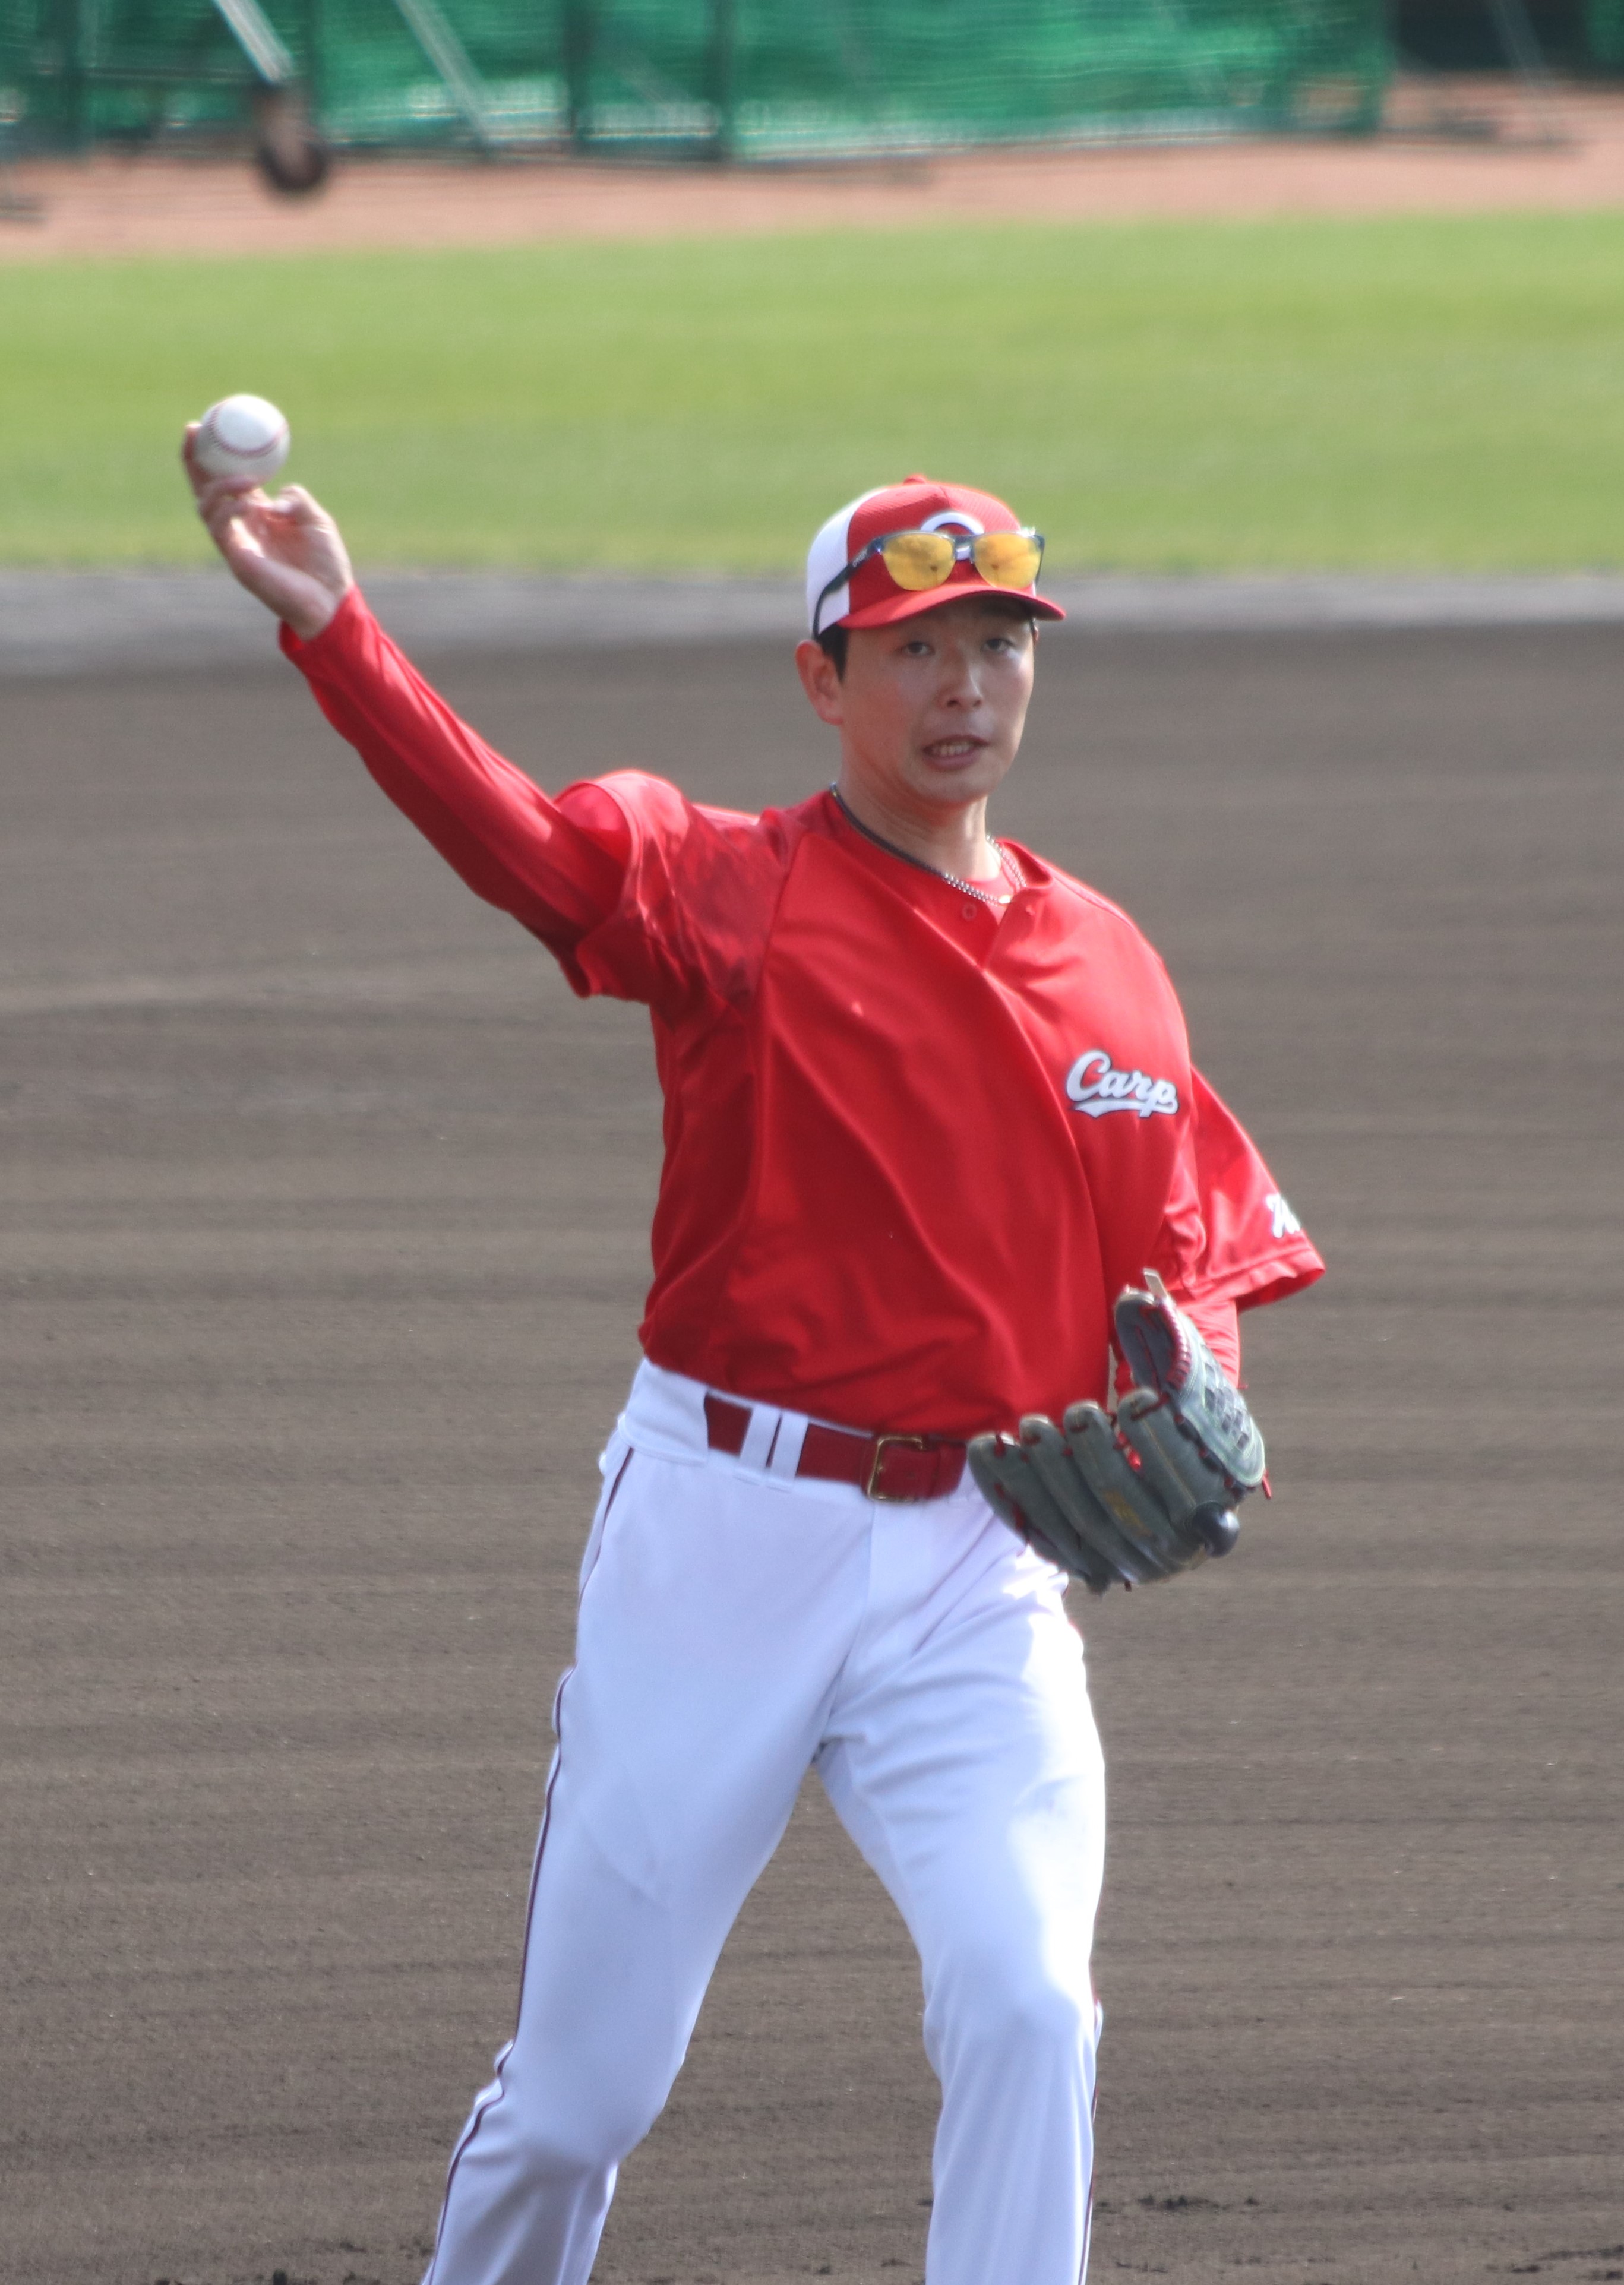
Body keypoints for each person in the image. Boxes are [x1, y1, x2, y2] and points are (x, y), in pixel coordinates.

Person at [184, 438, 1323, 2285]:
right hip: (720, 1539)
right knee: (579, 2105)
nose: (965, 688)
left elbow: (1191, 1237)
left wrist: (1210, 1369)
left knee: (1033, 2003)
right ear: (823, 678)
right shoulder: (725, 884)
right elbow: (525, 847)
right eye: (915, 650)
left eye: (999, 644)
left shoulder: (1108, 957)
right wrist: (341, 633)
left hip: (980, 1562)